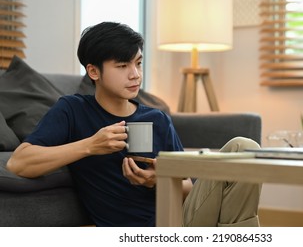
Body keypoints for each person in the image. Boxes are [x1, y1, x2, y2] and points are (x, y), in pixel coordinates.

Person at [6, 22, 261, 227]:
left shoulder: (156, 119)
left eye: (138, 63)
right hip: (135, 232)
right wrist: (90, 145)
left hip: (179, 221)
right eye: (122, 66)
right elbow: (19, 162)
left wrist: (159, 180)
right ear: (94, 72)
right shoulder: (73, 110)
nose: (135, 74)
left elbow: (188, 188)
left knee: (243, 149)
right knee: (239, 175)